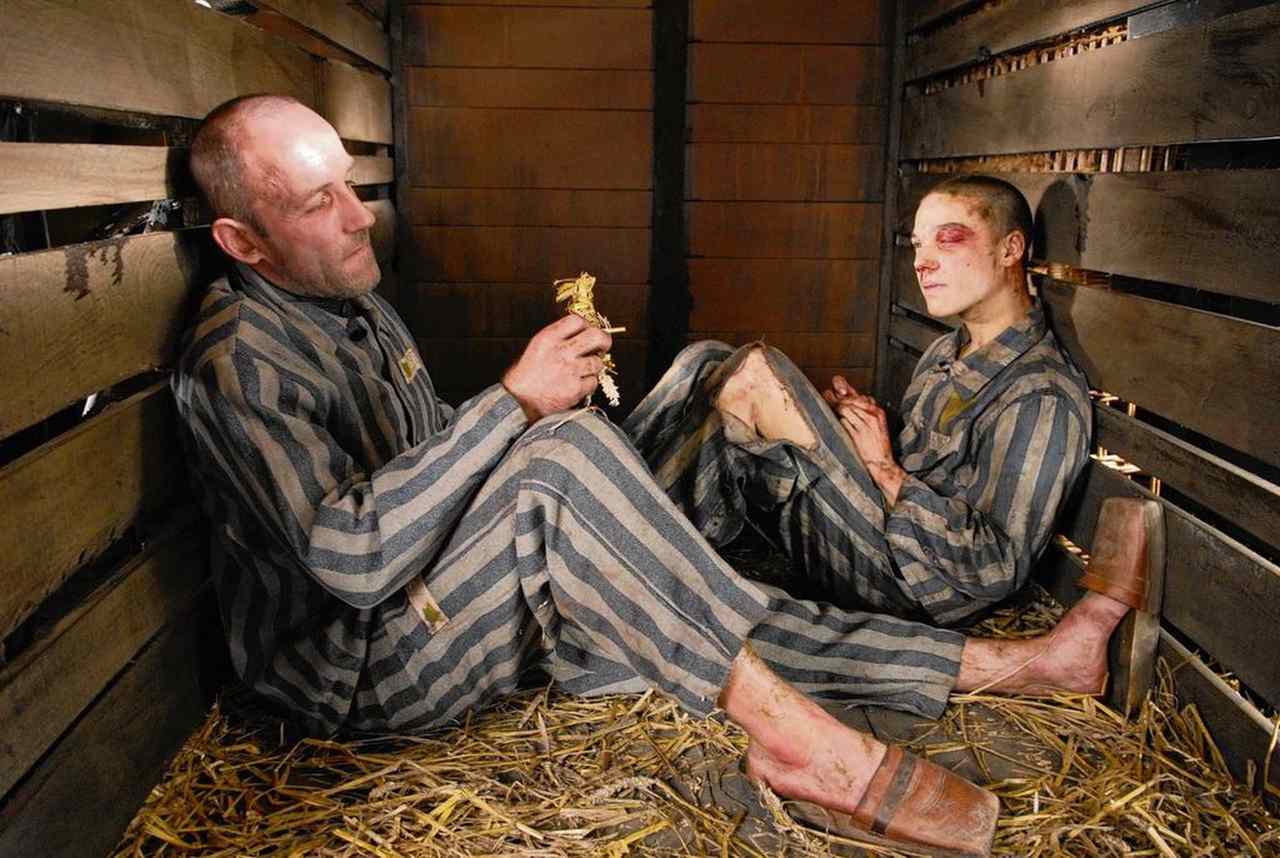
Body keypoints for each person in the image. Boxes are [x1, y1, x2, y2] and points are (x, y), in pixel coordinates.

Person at [172, 95, 1144, 858]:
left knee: (695, 431)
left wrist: (543, 414)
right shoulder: (240, 363)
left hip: (442, 587)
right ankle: (809, 744)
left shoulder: (350, 299)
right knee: (573, 471)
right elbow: (350, 562)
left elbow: (432, 456)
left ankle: (1022, 667)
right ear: (241, 243)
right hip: (363, 666)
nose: (358, 220)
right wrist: (514, 406)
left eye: (350, 186)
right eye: (319, 204)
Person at [625, 176, 1092, 629]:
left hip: (907, 584)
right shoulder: (947, 352)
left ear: (1011, 249)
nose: (922, 263)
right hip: (873, 525)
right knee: (708, 359)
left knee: (753, 374)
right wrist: (858, 424)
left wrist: (885, 470)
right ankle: (615, 512)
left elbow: (997, 567)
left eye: (948, 241)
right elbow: (927, 461)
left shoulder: (1040, 395)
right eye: (918, 245)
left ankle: (621, 541)